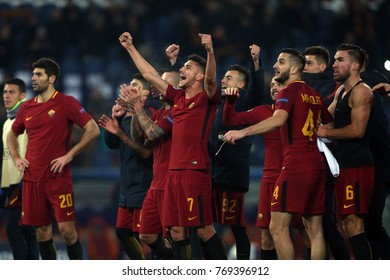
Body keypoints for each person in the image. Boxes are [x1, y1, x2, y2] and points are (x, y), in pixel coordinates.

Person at [118, 31, 227, 260]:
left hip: (194, 171)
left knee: (204, 230)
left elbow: (210, 80)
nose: (182, 70)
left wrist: (209, 51)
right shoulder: (177, 98)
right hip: (173, 174)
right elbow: (149, 74)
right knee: (177, 232)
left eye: (187, 68)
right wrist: (130, 47)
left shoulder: (206, 98)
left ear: (197, 76)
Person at [224, 48, 333, 260]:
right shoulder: (315, 96)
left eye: (280, 62)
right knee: (315, 229)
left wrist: (242, 132)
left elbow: (278, 120)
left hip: (295, 164)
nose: (275, 66)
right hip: (316, 164)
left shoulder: (288, 92)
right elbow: (329, 124)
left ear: (294, 68)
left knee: (277, 227)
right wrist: (319, 132)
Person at [7, 58, 100, 260]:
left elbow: (93, 130)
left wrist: (70, 155)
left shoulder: (66, 103)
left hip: (58, 179)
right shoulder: (26, 108)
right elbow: (11, 134)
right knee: (42, 232)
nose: (33, 78)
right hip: (32, 179)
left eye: (38, 74)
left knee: (67, 231)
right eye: (32, 74)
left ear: (51, 78)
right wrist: (16, 157)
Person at [317, 44, 374, 260]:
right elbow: (326, 120)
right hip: (344, 165)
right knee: (347, 223)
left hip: (358, 164)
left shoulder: (362, 91)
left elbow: (357, 130)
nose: (334, 64)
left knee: (354, 222)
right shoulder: (342, 91)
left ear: (355, 65)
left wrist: (325, 132)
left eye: (340, 60)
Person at [115, 68, 180, 260]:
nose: (154, 86)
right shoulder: (158, 112)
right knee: (140, 234)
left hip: (155, 181)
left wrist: (134, 110)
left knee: (171, 235)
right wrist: (125, 115)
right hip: (142, 184)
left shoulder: (163, 112)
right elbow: (135, 139)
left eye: (136, 86)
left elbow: (148, 142)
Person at [209, 44, 265, 260]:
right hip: (212, 173)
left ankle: (241, 269)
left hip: (231, 175)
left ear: (241, 84)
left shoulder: (243, 101)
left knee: (235, 226)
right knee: (206, 226)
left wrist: (256, 63)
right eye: (224, 78)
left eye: (229, 78)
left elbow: (258, 91)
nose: (223, 81)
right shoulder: (217, 103)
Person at [223, 76, 284, 260]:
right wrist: (230, 101)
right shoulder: (264, 111)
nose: (274, 87)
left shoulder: (300, 111)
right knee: (266, 236)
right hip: (270, 176)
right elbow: (231, 120)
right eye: (272, 84)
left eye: (279, 84)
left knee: (300, 231)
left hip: (293, 176)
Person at [99, 73, 155, 260]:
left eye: (135, 86)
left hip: (144, 185)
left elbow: (146, 152)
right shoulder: (125, 115)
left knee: (149, 236)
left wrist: (121, 133)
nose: (128, 88)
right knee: (123, 232)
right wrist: (114, 120)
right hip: (127, 187)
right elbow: (113, 144)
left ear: (145, 93)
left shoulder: (148, 115)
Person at [303, 45, 350, 260]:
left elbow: (326, 121)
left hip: (322, 161)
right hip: (301, 160)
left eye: (309, 64)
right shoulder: (296, 87)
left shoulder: (332, 89)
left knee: (324, 222)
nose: (304, 68)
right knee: (305, 222)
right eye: (302, 63)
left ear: (322, 66)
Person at [1, 78, 39, 260]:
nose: (6, 96)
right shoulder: (7, 122)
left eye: (11, 92)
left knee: (13, 228)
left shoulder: (29, 117)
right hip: (13, 185)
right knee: (27, 230)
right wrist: (4, 187)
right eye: (5, 92)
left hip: (26, 183)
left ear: (22, 95)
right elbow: (7, 158)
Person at [360, 67, 390, 259]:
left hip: (379, 164)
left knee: (370, 223)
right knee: (365, 224)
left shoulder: (367, 82)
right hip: (368, 164)